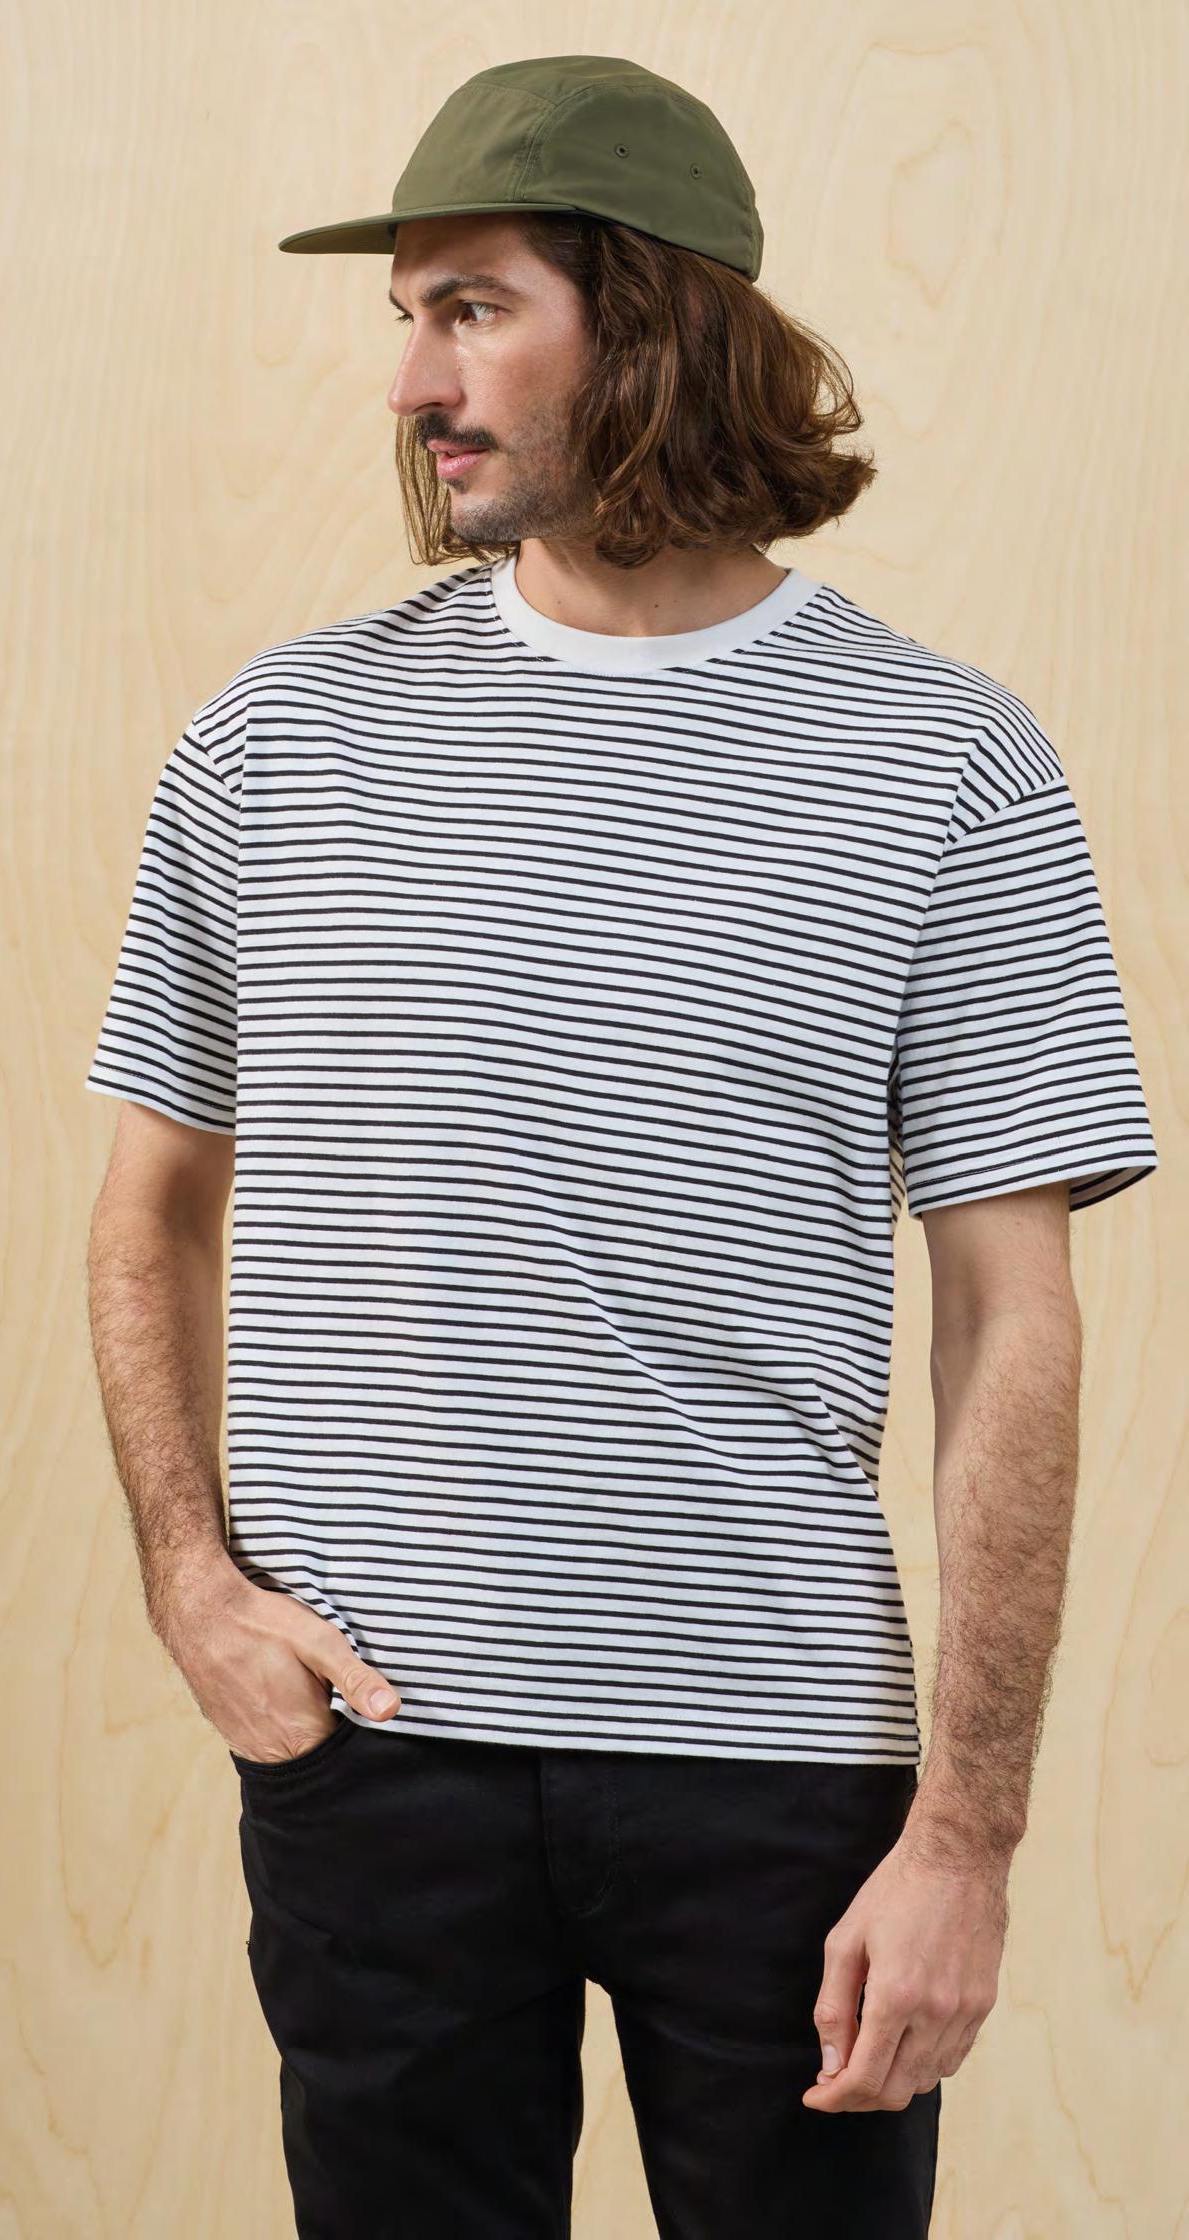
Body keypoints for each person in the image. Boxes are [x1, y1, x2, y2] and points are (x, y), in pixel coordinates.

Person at [81, 54, 1159, 2240]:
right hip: (376, 1757)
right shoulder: (281, 740)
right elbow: (150, 1205)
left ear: (654, 325)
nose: (412, 381)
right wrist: (194, 1581)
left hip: (781, 1778)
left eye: (474, 308)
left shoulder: (944, 762)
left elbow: (1009, 1319)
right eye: (406, 315)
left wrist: (966, 1836)